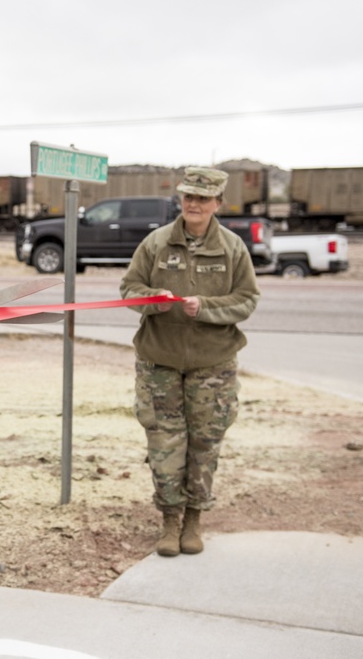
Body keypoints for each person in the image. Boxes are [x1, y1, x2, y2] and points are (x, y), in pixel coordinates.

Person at [119, 166, 260, 557]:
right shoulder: (156, 243)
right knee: (164, 444)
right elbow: (129, 289)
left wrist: (208, 308)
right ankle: (169, 519)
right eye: (188, 197)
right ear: (180, 199)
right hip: (159, 361)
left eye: (203, 198)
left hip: (212, 364)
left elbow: (247, 299)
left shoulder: (232, 247)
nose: (194, 204)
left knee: (205, 442)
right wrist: (154, 299)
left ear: (217, 202)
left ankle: (194, 518)